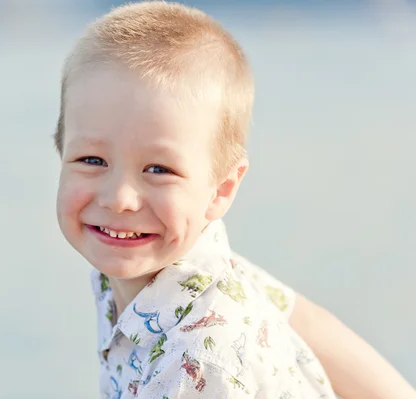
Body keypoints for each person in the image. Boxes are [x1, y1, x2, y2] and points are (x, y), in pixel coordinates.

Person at [53, 2, 416, 397]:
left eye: (159, 169)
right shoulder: (187, 269)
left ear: (222, 189)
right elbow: (310, 323)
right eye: (92, 160)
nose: (119, 199)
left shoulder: (203, 362)